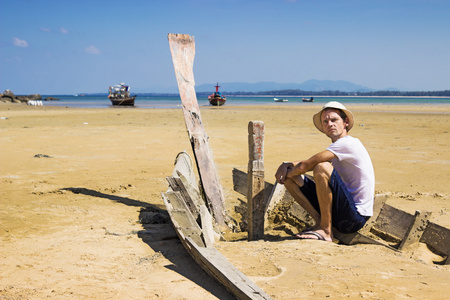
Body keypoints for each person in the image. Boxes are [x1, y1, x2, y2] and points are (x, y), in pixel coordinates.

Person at [275, 101, 375, 242]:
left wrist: (288, 170)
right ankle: (320, 223)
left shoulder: (348, 143)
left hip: (354, 218)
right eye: (325, 121)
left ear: (345, 122)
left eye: (334, 120)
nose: (330, 124)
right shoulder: (336, 148)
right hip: (340, 212)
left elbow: (307, 165)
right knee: (291, 178)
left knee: (322, 167)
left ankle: (326, 231)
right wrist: (287, 165)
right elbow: (307, 164)